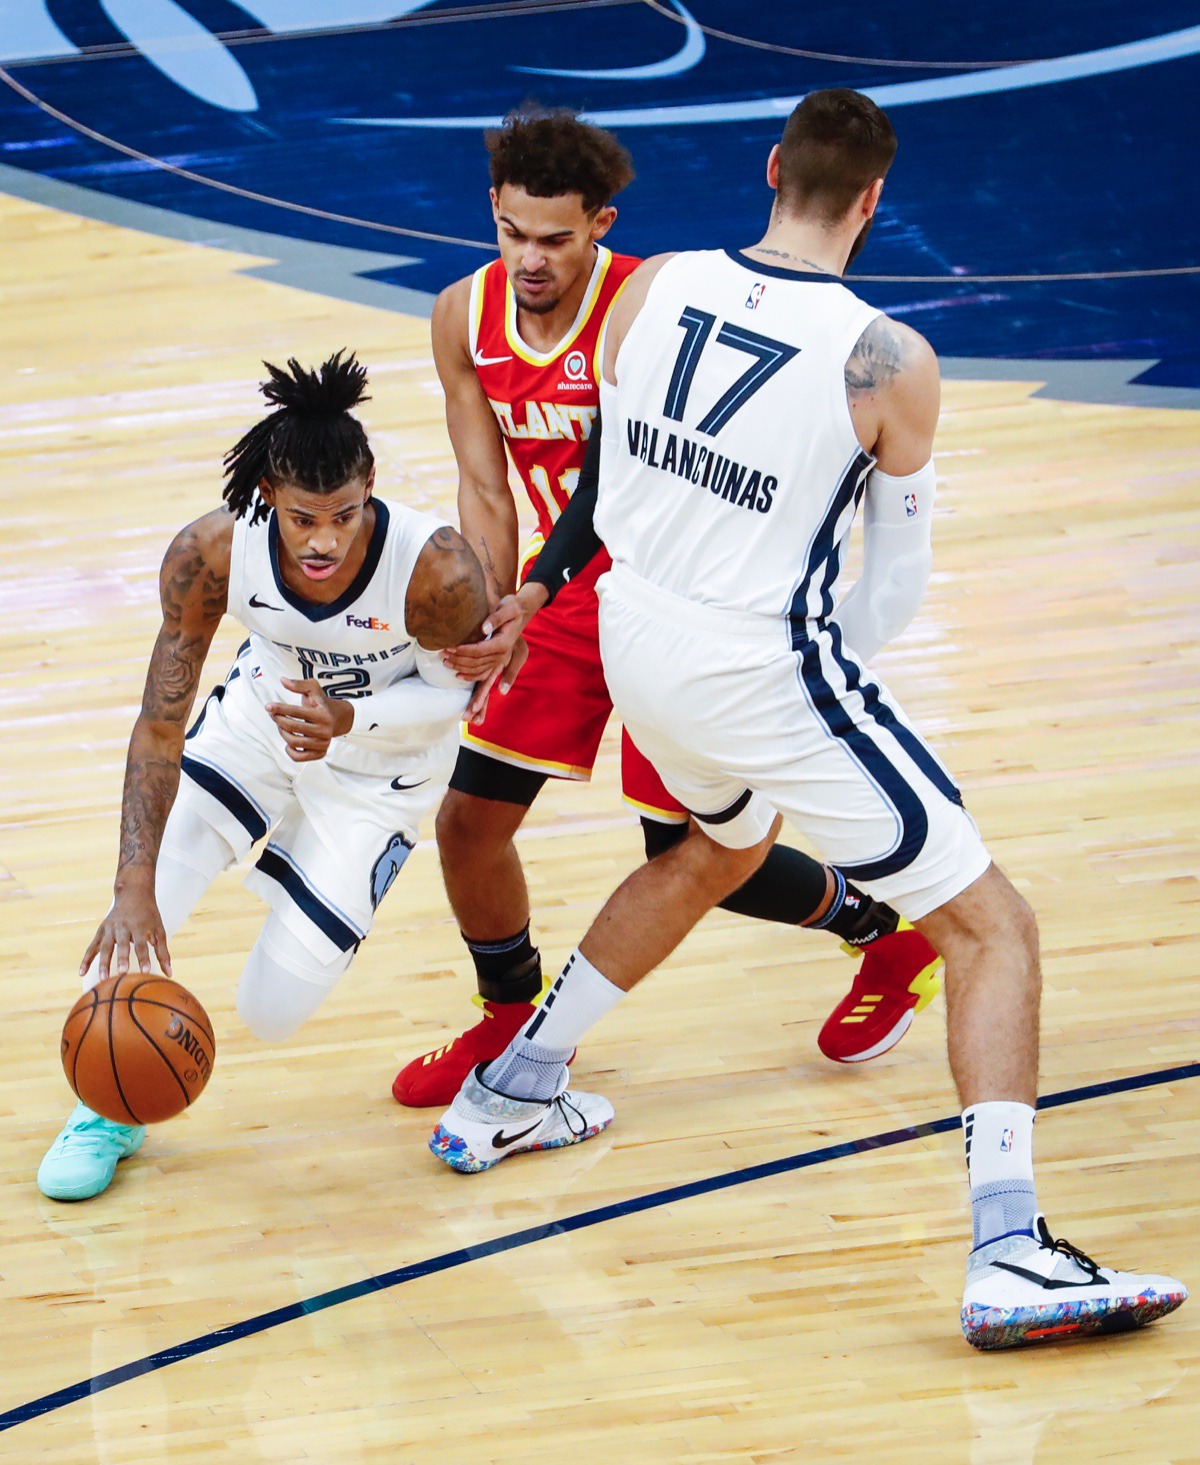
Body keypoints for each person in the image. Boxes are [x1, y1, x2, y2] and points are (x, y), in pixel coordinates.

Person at [430, 91, 1188, 1349]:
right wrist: (828, 701)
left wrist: (554, 587)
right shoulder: (889, 361)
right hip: (758, 669)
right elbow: (893, 579)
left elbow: (612, 467)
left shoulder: (655, 285)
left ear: (773, 168)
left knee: (712, 848)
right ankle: (1009, 1252)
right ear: (876, 198)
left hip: (638, 639)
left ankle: (515, 1083)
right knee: (993, 925)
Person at [392, 107, 944, 1109]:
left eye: (556, 239)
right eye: (513, 233)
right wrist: (495, 606)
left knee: (688, 853)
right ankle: (509, 1016)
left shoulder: (652, 298)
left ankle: (882, 933)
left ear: (601, 226)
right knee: (469, 819)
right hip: (557, 597)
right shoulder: (458, 317)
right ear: (491, 213)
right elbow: (484, 484)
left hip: (670, 589)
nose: (531, 259)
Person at [37, 352, 486, 1201]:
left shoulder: (437, 569)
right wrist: (132, 883)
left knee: (272, 1011)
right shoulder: (211, 551)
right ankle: (105, 1103)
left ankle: (314, 880)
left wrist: (352, 719)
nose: (323, 539)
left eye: (345, 516)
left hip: (381, 770)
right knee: (132, 926)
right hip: (262, 725)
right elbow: (160, 721)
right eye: (304, 517)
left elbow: (454, 701)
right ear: (268, 497)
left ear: (371, 489)